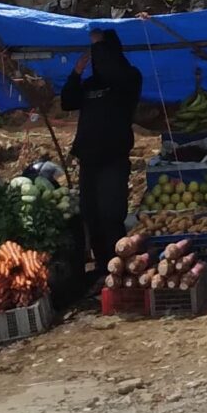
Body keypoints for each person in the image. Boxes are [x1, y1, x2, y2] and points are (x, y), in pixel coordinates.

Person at [59, 28, 143, 278]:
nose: (96, 57)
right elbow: (67, 101)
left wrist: (99, 44)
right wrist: (76, 73)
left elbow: (112, 68)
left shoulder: (128, 79)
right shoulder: (90, 84)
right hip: (89, 159)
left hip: (113, 158)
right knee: (91, 214)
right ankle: (101, 268)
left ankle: (118, 264)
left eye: (100, 51)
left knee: (110, 213)